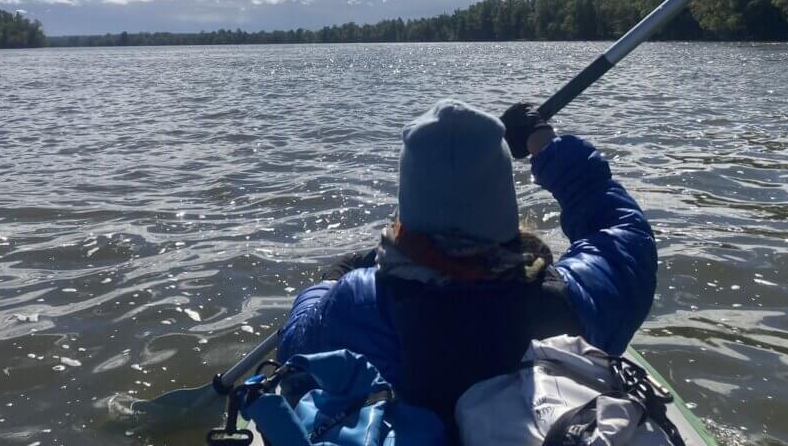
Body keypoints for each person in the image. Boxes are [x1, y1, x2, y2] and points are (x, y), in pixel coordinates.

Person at [278, 99, 657, 430]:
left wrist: (328, 282)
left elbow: (294, 346)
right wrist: (544, 142)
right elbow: (623, 231)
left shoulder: (353, 302)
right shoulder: (573, 302)